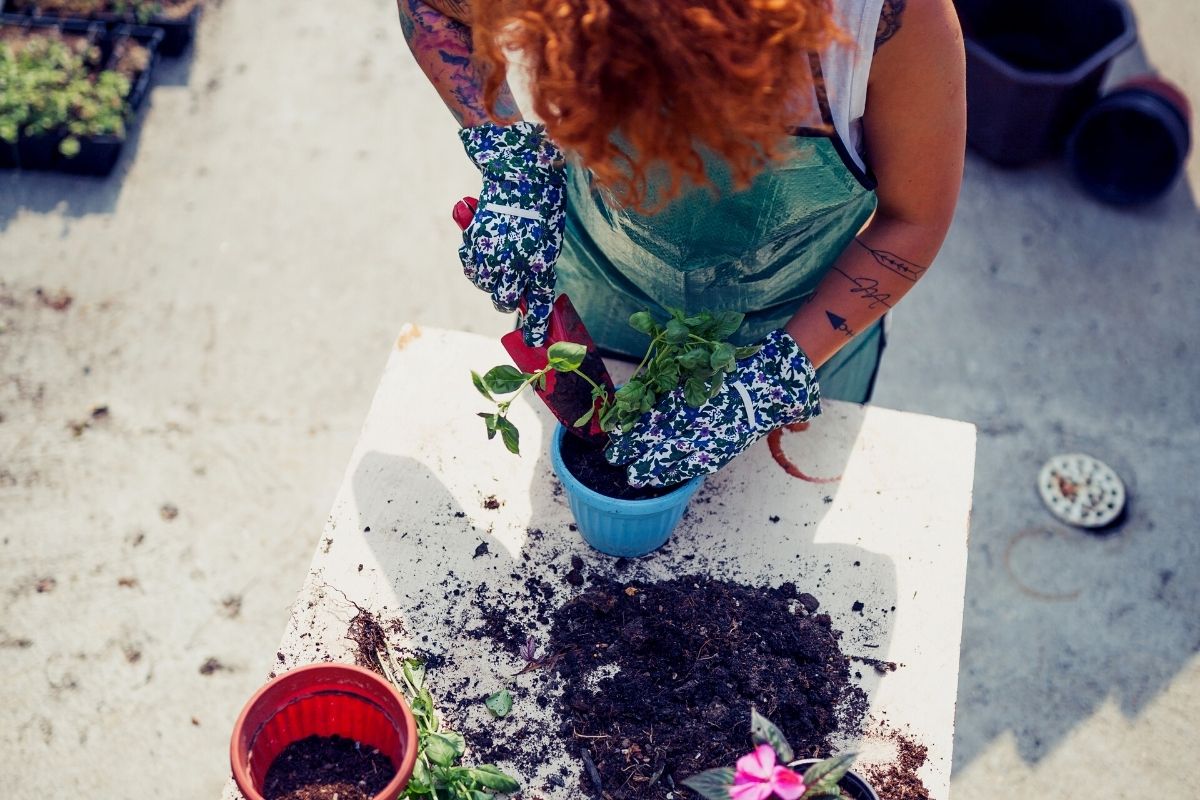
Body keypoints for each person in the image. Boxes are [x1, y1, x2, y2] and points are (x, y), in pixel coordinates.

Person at [397, 0, 965, 488]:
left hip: (801, 319)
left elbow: (913, 219)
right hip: (599, 286)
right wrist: (511, 167)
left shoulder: (884, 16)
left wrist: (763, 389)